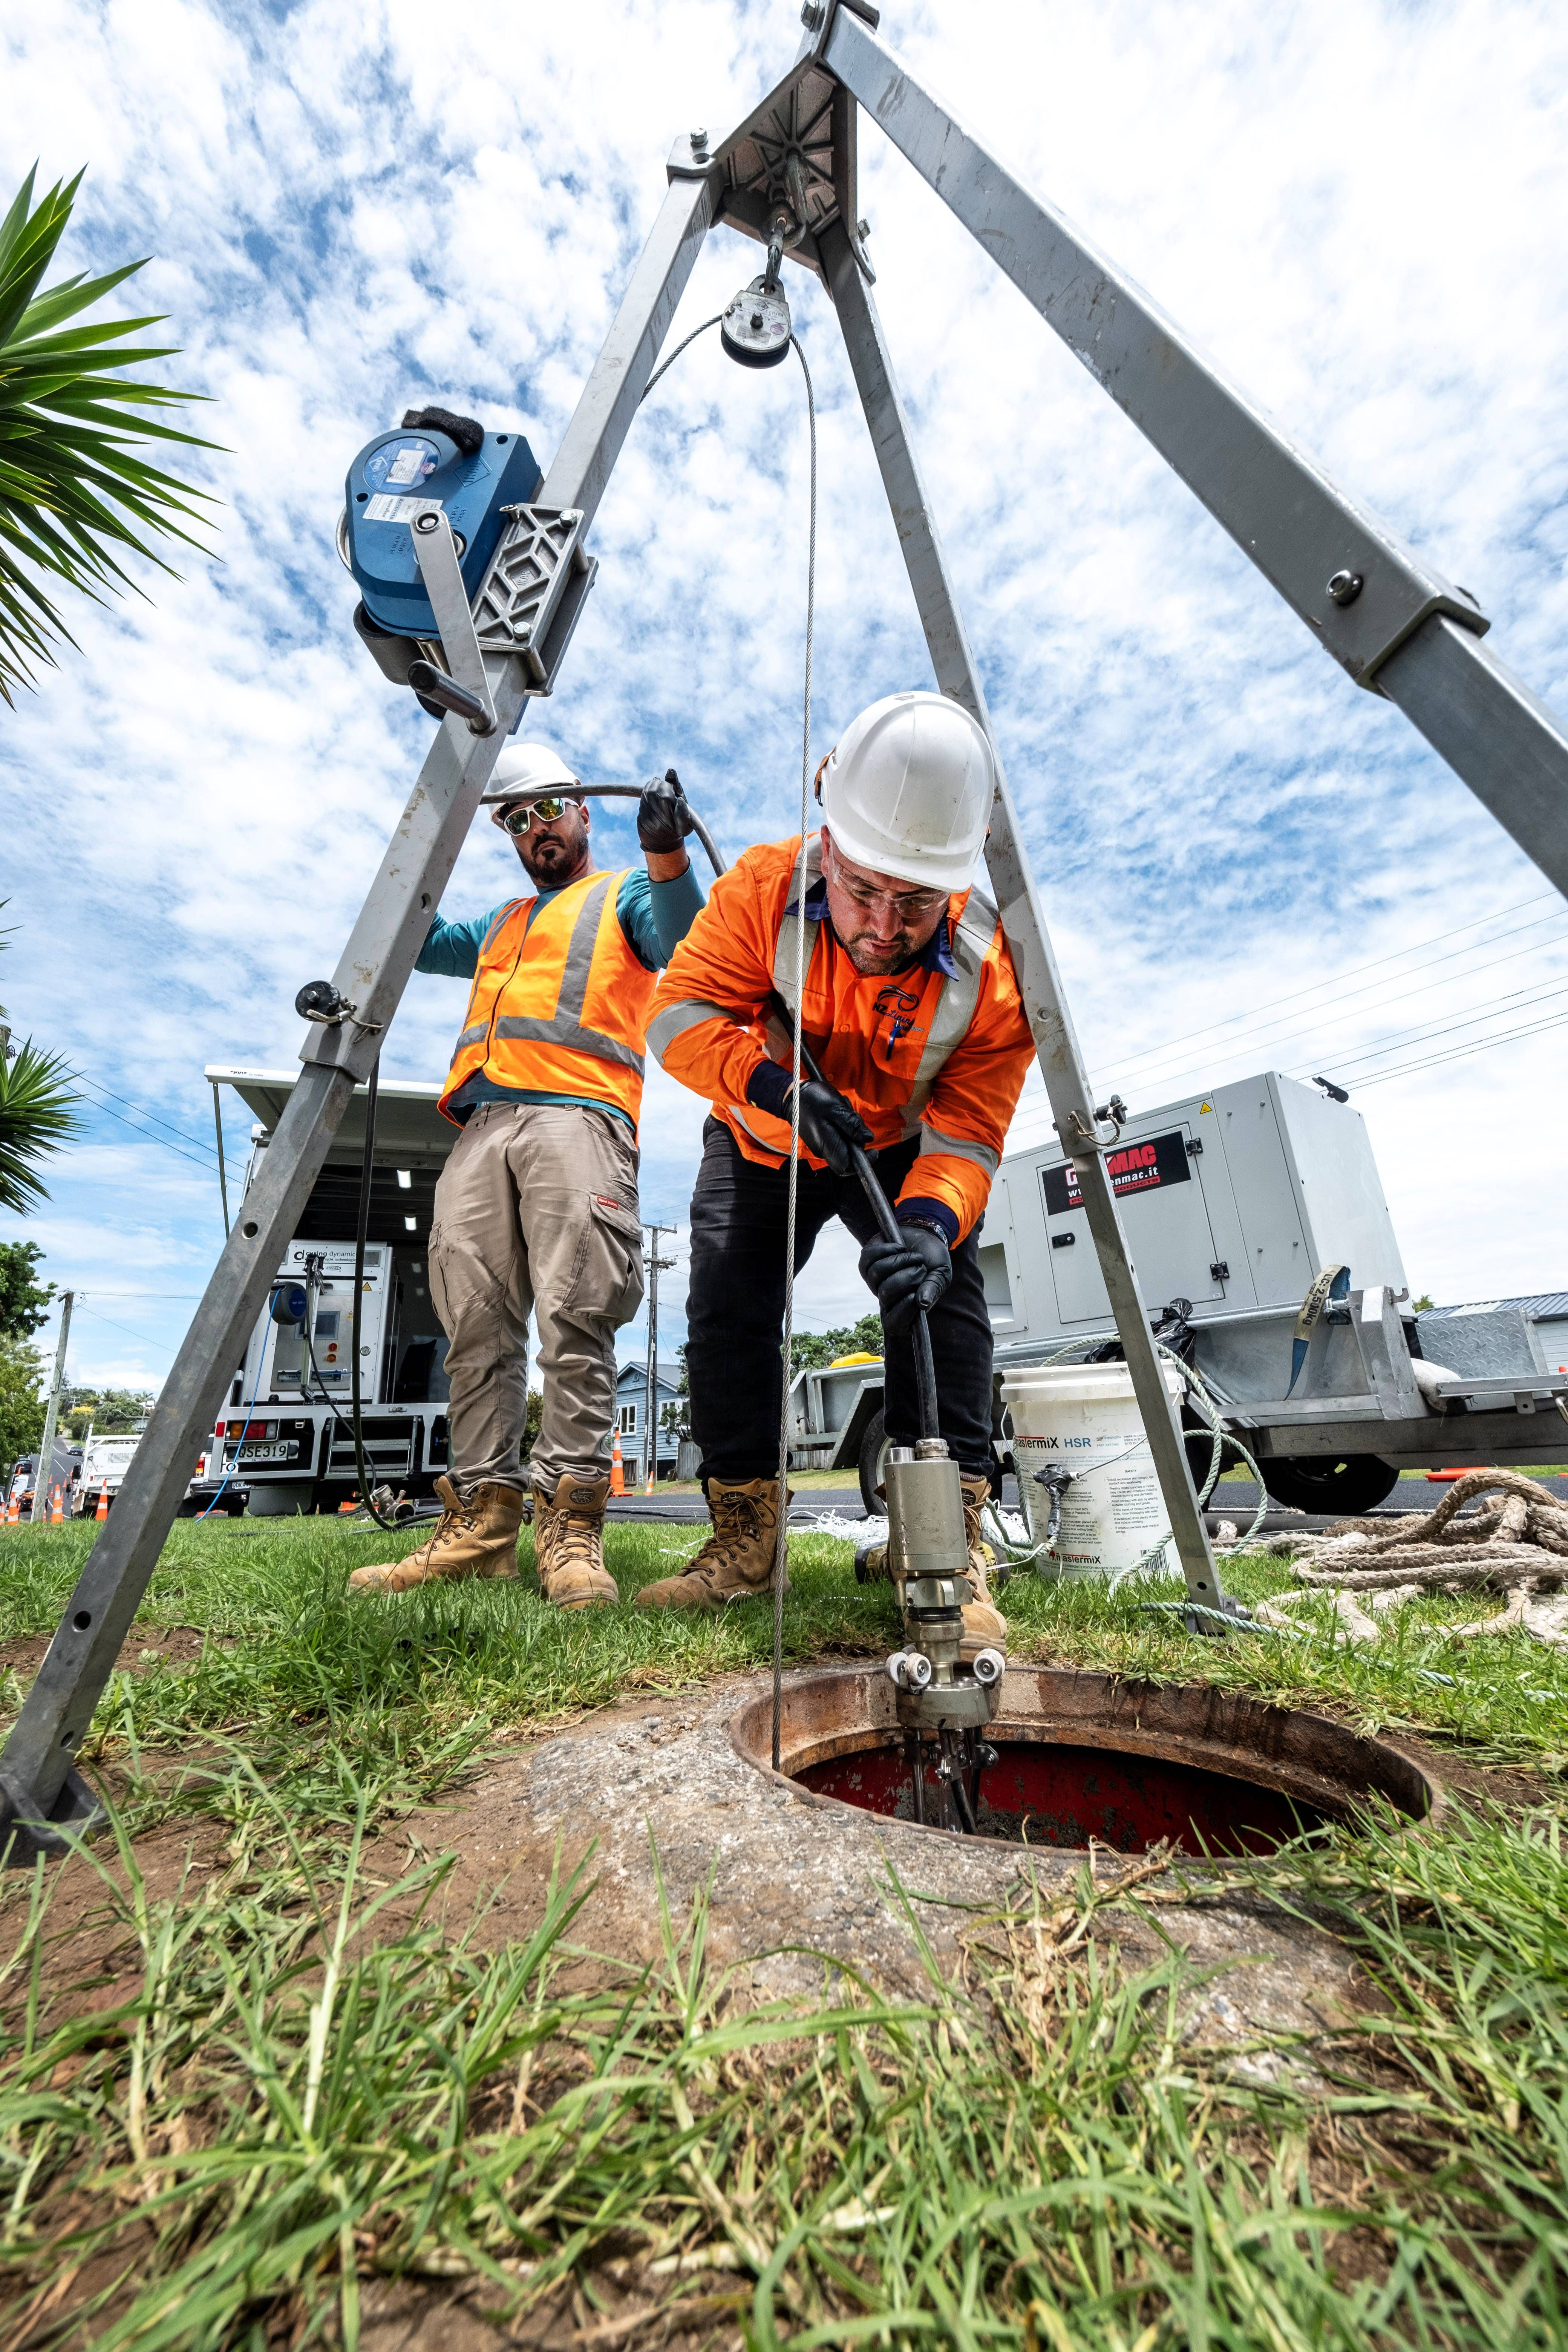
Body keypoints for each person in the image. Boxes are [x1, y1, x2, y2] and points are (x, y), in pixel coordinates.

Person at [636, 689, 1034, 1643]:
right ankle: (745, 1537)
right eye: (863, 890)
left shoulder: (995, 970)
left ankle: (941, 1541)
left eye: (915, 900)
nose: (884, 924)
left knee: (941, 1301)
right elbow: (677, 1017)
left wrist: (934, 1224)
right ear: (829, 834)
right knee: (727, 1301)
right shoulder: (764, 889)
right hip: (765, 1129)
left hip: (899, 1145)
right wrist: (769, 1084)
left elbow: (971, 1128)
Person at [350, 744, 704, 1607]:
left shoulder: (621, 894)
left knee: (577, 1319)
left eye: (548, 809)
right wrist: (422, 832)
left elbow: (685, 938)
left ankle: (572, 1529)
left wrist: (667, 855)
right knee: (473, 1326)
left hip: (577, 1117)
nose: (534, 827)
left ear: (583, 810)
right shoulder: (500, 924)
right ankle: (480, 1526)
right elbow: (410, 935)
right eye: (513, 818)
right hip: (481, 1128)